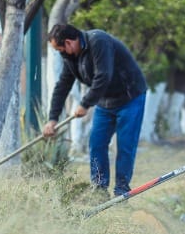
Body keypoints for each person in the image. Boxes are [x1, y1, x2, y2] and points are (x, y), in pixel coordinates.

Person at [43, 23, 147, 196]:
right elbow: (62, 86)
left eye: (60, 49)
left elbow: (103, 75)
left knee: (125, 146)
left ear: (69, 43)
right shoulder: (70, 58)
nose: (61, 53)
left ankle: (121, 191)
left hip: (130, 97)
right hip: (105, 102)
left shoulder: (99, 41)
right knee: (96, 144)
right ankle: (99, 191)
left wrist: (85, 104)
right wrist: (52, 119)